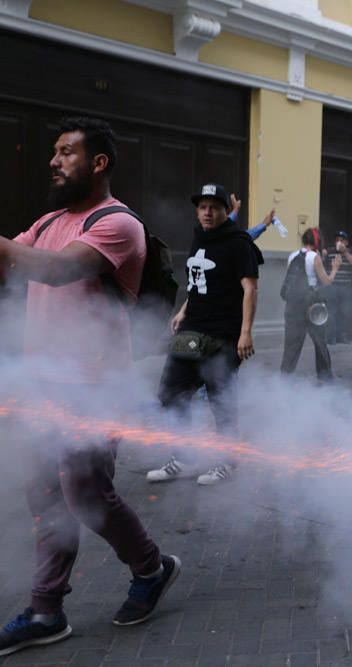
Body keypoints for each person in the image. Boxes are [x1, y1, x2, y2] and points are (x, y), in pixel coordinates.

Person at [0, 117, 179, 656]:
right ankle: (45, 610)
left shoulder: (119, 224)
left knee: (86, 494)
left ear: (98, 162)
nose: (53, 161)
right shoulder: (50, 218)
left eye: (65, 152)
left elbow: (55, 271)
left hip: (95, 391)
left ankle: (152, 568)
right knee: (46, 497)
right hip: (41, 387)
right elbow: (12, 269)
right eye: (53, 152)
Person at [148, 183, 261, 486]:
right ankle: (183, 457)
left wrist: (245, 333)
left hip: (225, 334)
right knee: (171, 394)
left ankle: (227, 460)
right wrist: (184, 310)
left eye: (214, 207)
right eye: (202, 207)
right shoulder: (200, 238)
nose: (208, 212)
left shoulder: (239, 243)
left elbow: (250, 289)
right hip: (192, 329)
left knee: (221, 401)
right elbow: (199, 283)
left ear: (227, 211)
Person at [280, 228, 334, 381]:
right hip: (311, 307)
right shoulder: (314, 257)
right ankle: (325, 378)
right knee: (320, 343)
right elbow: (326, 281)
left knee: (291, 346)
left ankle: (284, 380)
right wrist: (335, 268)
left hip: (292, 306)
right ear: (317, 241)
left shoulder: (292, 256)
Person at [323, 230, 352, 344]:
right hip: (332, 286)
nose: (339, 242)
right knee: (331, 311)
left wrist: (345, 253)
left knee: (344, 311)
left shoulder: (350, 252)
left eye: (342, 240)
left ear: (346, 242)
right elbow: (321, 262)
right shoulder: (329, 251)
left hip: (345, 286)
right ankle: (331, 337)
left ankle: (342, 336)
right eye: (337, 240)